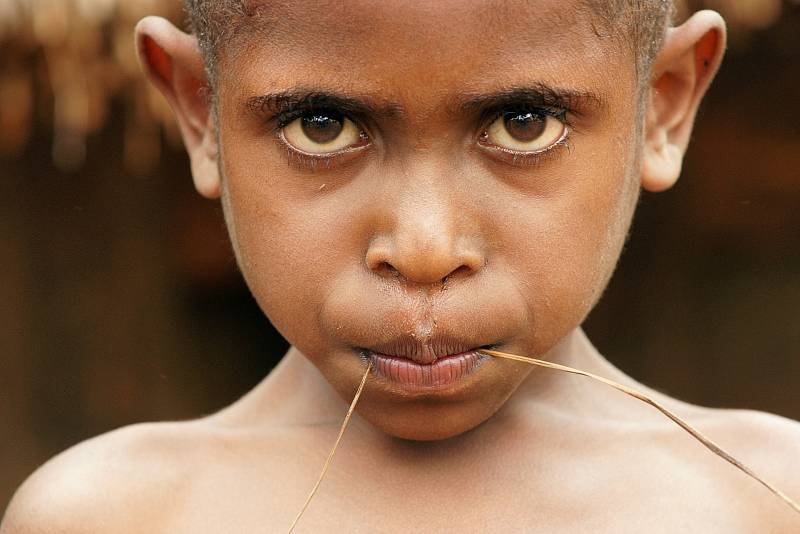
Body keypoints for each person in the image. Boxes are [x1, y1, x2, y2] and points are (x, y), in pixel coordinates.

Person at [3, 1, 799, 531]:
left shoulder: (764, 502)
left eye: (524, 123)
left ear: (662, 103)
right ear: (199, 109)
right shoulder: (115, 518)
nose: (423, 249)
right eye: (321, 125)